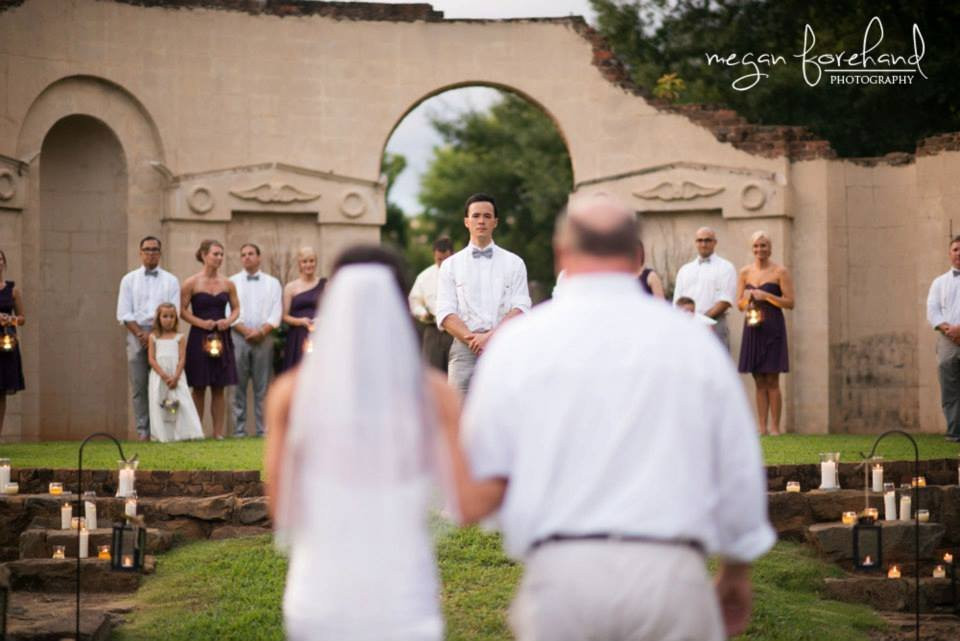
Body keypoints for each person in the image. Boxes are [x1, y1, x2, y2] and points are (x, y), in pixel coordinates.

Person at [442, 192, 775, 641]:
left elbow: (481, 486)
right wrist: (736, 569)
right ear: (638, 257)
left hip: (562, 573)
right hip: (670, 570)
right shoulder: (692, 342)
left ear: (563, 255)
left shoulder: (520, 345)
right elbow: (737, 465)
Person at [265, 257, 448, 641]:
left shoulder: (290, 392)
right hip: (403, 592)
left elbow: (282, 507)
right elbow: (469, 500)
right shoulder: (435, 395)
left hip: (320, 589)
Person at [436, 193, 531, 394]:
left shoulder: (514, 263)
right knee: (460, 416)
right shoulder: (450, 266)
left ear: (495, 222)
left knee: (504, 411)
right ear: (466, 221)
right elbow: (445, 312)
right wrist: (473, 340)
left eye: (487, 216)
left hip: (504, 346)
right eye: (476, 216)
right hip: (464, 349)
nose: (481, 221)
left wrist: (491, 337)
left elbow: (521, 307)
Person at [116, 236, 180, 441]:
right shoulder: (129, 279)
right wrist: (141, 334)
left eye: (155, 250)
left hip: (163, 335)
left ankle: (164, 430)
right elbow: (124, 313)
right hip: (137, 334)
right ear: (140, 252)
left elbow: (174, 310)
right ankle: (144, 431)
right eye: (147, 249)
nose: (151, 253)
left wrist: (155, 334)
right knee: (139, 385)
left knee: (165, 382)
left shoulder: (171, 280)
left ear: (160, 253)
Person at [736, 231, 794, 436]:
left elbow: (790, 302)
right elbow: (739, 304)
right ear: (752, 249)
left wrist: (766, 295)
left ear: (770, 248)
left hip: (773, 326)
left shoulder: (780, 272)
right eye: (756, 246)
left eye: (763, 246)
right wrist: (748, 298)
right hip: (753, 325)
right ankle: (761, 427)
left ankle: (775, 428)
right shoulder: (744, 272)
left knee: (772, 379)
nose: (760, 250)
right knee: (759, 379)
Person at [181, 239, 239, 440]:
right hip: (199, 335)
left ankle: (218, 433)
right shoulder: (191, 282)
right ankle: (197, 431)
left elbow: (236, 308)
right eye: (216, 254)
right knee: (198, 385)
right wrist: (200, 322)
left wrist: (228, 320)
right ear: (204, 255)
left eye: (221, 254)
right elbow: (181, 310)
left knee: (219, 386)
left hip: (221, 335)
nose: (219, 258)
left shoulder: (228, 283)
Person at [229, 243, 282, 437]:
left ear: (259, 257)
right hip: (238, 337)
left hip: (264, 338)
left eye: (251, 254)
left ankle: (263, 430)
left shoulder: (273, 283)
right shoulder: (231, 282)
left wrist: (262, 331)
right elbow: (229, 311)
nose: (247, 257)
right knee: (237, 387)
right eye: (243, 254)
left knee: (263, 387)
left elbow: (277, 310)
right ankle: (239, 431)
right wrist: (244, 330)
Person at [146, 303, 204, 442]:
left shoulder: (179, 337)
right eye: (165, 316)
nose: (168, 319)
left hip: (176, 375)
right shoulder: (153, 337)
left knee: (181, 403)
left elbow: (182, 358)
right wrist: (164, 376)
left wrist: (176, 376)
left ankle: (187, 433)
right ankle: (163, 435)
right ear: (159, 318)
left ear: (176, 319)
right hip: (160, 376)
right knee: (160, 403)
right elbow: (151, 359)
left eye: (172, 316)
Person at [672, 227, 737, 349]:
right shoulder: (684, 270)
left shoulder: (726, 267)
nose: (703, 244)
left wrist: (700, 320)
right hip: (687, 326)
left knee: (716, 366)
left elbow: (725, 301)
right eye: (700, 240)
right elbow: (677, 302)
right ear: (695, 242)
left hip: (714, 325)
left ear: (715, 242)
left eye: (707, 240)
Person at [926, 235, 960, 442]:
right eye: (955, 249)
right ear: (949, 253)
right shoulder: (939, 283)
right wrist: (949, 330)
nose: (959, 253)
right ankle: (954, 432)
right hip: (947, 341)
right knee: (950, 389)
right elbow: (932, 310)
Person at [409, 237, 454, 371]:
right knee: (431, 372)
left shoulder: (464, 274)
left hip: (456, 331)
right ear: (434, 255)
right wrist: (423, 313)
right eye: (439, 259)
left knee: (456, 374)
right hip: (433, 330)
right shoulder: (424, 277)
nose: (442, 263)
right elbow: (414, 301)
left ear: (452, 254)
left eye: (445, 259)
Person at [280, 246, 325, 372]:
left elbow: (331, 310)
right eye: (304, 261)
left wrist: (322, 319)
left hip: (319, 335)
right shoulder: (291, 287)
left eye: (311, 261)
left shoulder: (324, 284)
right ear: (299, 264)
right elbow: (284, 316)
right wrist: (300, 321)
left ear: (316, 262)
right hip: (298, 336)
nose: (308, 265)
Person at [0, 249, 25, 436]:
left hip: (6, 342)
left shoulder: (13, 290)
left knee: (2, 390)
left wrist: (10, 320)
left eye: (1, 259)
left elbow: (22, 318)